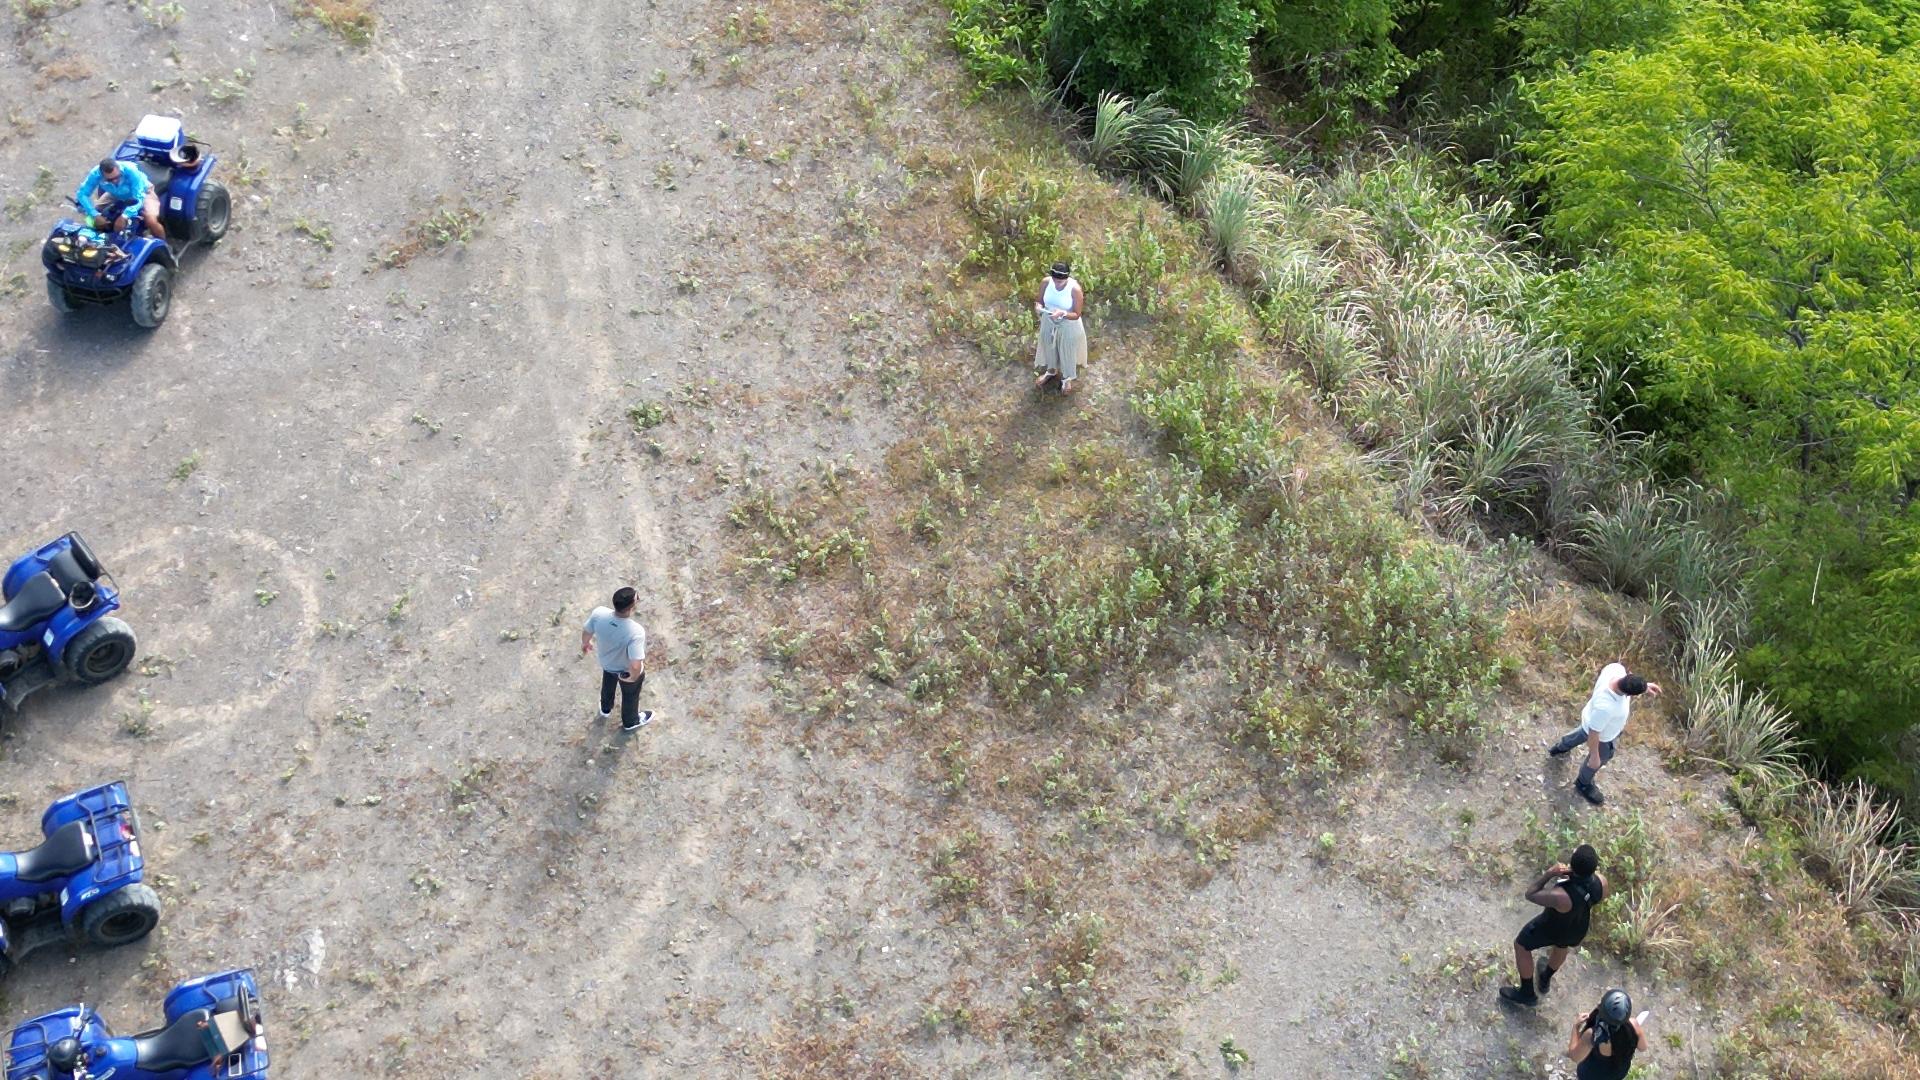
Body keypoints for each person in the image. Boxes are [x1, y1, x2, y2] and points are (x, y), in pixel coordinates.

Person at [1499, 844, 1606, 1006]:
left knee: (1520, 945)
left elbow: (1531, 894)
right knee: (1562, 947)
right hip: (1577, 927)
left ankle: (1527, 993)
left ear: (1573, 864)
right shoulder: (1602, 882)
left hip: (1552, 926)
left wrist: (1549, 874)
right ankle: (1545, 978)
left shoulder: (1561, 897)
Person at [1549, 661, 1661, 805]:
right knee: (1599, 756)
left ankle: (1560, 747)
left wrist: (1644, 686)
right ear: (1627, 695)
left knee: (1579, 734)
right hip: (1602, 735)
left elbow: (1627, 681)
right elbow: (1594, 734)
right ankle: (1583, 783)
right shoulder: (1606, 707)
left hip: (1589, 718)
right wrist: (1595, 756)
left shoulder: (1615, 669)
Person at [580, 586, 653, 732]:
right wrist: (632, 678)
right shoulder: (635, 632)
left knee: (608, 684)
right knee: (630, 696)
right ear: (632, 607)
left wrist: (585, 643)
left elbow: (587, 631)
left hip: (607, 663)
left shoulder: (599, 613)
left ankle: (605, 708)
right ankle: (630, 721)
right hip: (625, 671)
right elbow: (635, 664)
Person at [74, 157, 164, 240]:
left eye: (117, 177)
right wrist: (95, 215)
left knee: (151, 220)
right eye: (109, 180)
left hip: (142, 192)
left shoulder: (131, 171)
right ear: (101, 174)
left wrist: (124, 216)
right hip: (115, 193)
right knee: (93, 216)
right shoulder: (95, 174)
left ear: (119, 169)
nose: (115, 181)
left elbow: (139, 197)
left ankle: (164, 246)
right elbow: (82, 194)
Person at [1567, 988, 1648, 1080]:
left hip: (1591, 1076)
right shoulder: (1634, 1025)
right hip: (1617, 1075)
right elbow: (1643, 1048)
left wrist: (1576, 1027)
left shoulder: (1592, 1035)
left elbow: (1574, 1056)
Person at [1033, 260, 1086, 394]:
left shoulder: (1075, 290)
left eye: (1060, 281)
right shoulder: (1046, 282)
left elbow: (1077, 314)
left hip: (1068, 324)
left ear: (1067, 278)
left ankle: (1067, 378)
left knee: (1067, 352)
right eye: (1055, 280)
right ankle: (1051, 370)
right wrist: (1038, 306)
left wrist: (1063, 313)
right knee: (1049, 347)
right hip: (1049, 321)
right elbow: (1039, 300)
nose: (1056, 283)